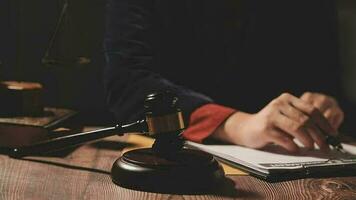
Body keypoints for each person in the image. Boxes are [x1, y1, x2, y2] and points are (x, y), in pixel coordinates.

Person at [104, 0, 346, 152]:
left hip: (292, 153)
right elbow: (128, 81)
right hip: (178, 154)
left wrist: (323, 102)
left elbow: (324, 78)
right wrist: (236, 124)